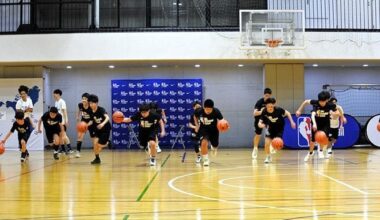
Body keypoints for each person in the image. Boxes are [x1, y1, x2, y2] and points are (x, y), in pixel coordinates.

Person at [296, 91, 339, 161]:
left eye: (323, 101)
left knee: (323, 136)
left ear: (327, 100)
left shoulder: (330, 105)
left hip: (325, 123)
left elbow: (338, 109)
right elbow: (306, 102)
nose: (321, 103)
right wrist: (299, 110)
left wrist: (338, 115)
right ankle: (310, 153)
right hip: (315, 123)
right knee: (312, 140)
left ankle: (321, 151)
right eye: (320, 101)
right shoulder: (315, 103)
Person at [258, 98, 296, 163]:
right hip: (270, 128)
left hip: (279, 128)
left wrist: (292, 122)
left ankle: (273, 146)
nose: (270, 108)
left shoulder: (278, 110)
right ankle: (268, 157)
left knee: (277, 142)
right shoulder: (264, 111)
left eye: (271, 106)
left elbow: (288, 113)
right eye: (269, 106)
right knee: (266, 143)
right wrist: (260, 125)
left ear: (274, 105)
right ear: (266, 106)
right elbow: (260, 122)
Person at [193, 99, 225, 166]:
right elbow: (195, 116)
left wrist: (224, 125)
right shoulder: (199, 111)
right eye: (206, 109)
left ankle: (213, 147)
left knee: (215, 145)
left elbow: (222, 120)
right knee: (204, 143)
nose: (208, 111)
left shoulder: (216, 111)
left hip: (214, 130)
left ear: (212, 108)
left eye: (209, 109)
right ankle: (206, 160)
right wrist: (197, 125)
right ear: (204, 107)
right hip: (204, 130)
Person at [87, 94, 111, 164]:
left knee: (100, 145)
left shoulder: (101, 109)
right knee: (95, 144)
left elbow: (107, 117)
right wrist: (86, 125)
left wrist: (102, 124)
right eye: (89, 103)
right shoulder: (90, 111)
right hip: (98, 129)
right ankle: (97, 159)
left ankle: (108, 142)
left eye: (92, 103)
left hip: (105, 129)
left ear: (96, 103)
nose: (90, 105)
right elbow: (91, 120)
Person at [252, 88, 272, 159]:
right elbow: (254, 113)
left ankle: (270, 150)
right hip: (258, 119)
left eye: (268, 96)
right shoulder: (259, 102)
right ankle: (255, 148)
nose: (267, 97)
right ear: (264, 95)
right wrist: (262, 111)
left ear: (270, 95)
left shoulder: (271, 102)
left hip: (267, 120)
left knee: (270, 134)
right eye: (266, 95)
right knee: (258, 134)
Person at [53, 89, 73, 154]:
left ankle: (70, 149)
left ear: (58, 94)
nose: (53, 95)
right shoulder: (56, 102)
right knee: (60, 136)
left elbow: (64, 112)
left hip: (62, 122)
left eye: (54, 93)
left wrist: (66, 120)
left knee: (64, 135)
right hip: (57, 122)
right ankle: (63, 149)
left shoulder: (62, 102)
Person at [75, 93, 92, 158]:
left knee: (94, 138)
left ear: (88, 100)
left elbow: (93, 119)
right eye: (82, 99)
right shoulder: (80, 105)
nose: (83, 100)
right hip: (83, 121)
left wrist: (87, 125)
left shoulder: (91, 106)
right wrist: (77, 117)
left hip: (91, 122)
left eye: (85, 99)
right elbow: (79, 110)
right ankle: (78, 152)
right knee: (79, 136)